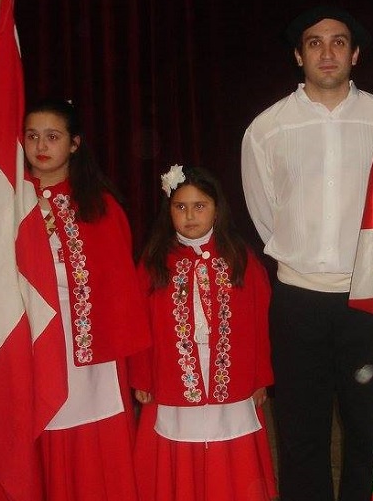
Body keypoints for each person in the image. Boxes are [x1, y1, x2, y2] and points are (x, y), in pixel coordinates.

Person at [241, 5, 373, 501]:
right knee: (301, 434)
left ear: (356, 53)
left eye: (339, 41)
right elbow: (264, 214)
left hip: (368, 301)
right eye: (315, 42)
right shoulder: (267, 128)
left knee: (368, 429)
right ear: (298, 55)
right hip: (298, 302)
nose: (328, 52)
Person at [21, 99, 150, 499]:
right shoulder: (7, 202)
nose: (41, 145)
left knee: (89, 430)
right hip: (28, 338)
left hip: (88, 344)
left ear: (74, 144)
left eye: (53, 136)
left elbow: (121, 291)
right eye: (32, 135)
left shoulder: (101, 205)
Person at [130, 164, 276, 501]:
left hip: (232, 374)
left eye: (200, 206)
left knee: (230, 443)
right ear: (169, 210)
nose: (190, 216)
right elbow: (140, 325)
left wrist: (260, 377)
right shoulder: (154, 262)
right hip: (174, 375)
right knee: (178, 444)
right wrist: (141, 376)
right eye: (180, 207)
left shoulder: (241, 258)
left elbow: (259, 322)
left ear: (216, 209)